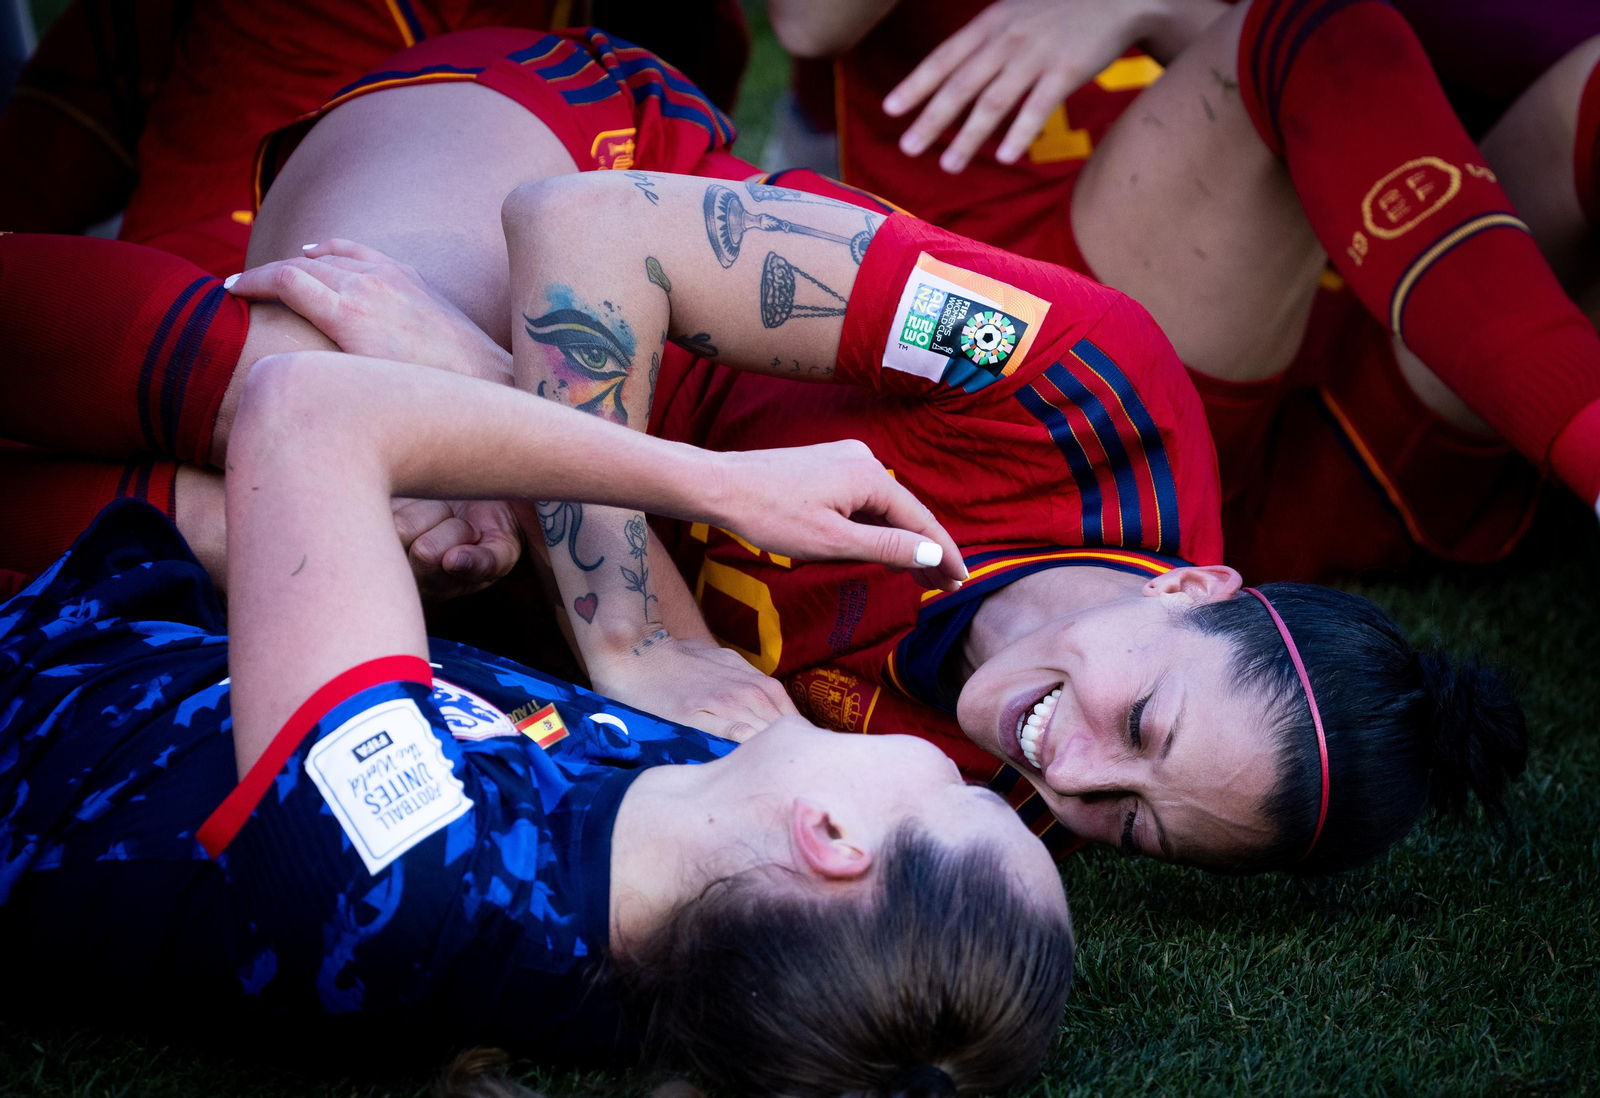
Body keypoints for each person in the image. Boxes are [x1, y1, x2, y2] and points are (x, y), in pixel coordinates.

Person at [0, 343, 1075, 1094]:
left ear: (831, 842)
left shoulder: (403, 877)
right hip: (141, 601)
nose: (954, 771)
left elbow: (305, 409)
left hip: (33, 639)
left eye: (956, 802)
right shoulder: (699, 854)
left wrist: (709, 484)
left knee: (266, 339)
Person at [766, 0, 1600, 584]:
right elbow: (808, 19)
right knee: (1296, 30)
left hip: (1391, 321)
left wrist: (1151, 9)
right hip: (1080, 378)